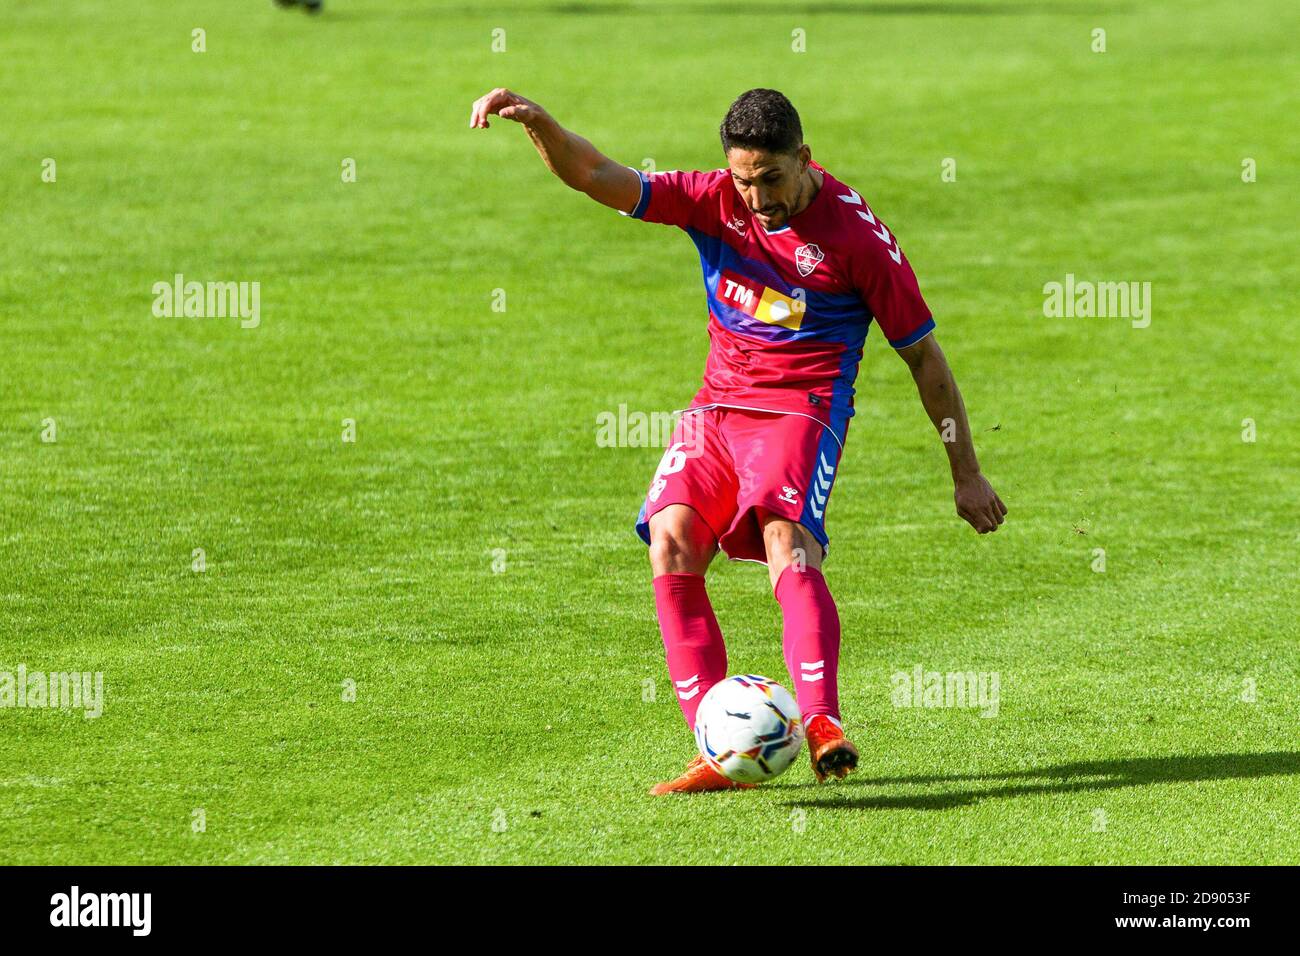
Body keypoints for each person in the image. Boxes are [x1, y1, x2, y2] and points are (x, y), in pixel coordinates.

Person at [469, 87, 1007, 794]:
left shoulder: (854, 237)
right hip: (717, 405)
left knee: (787, 541)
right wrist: (538, 123)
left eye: (771, 179)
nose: (756, 197)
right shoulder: (714, 199)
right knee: (670, 540)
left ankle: (820, 723)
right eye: (745, 180)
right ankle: (718, 746)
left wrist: (965, 474)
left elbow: (925, 358)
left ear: (805, 160)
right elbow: (599, 177)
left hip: (801, 409)